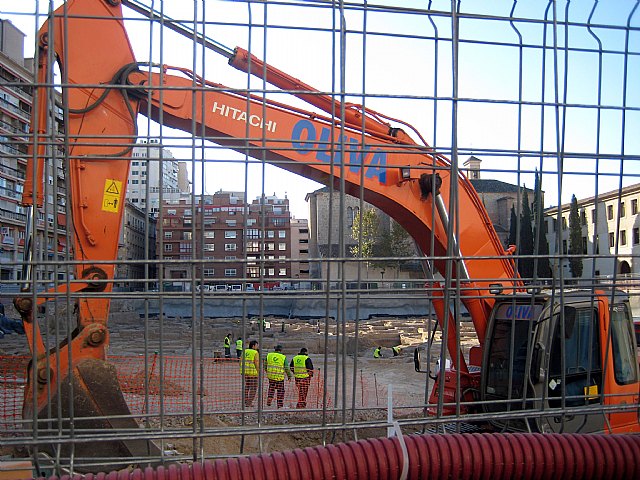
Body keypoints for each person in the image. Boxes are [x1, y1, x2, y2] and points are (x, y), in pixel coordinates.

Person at [265, 345, 291, 409]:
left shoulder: (269, 355)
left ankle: (270, 398)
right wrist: (289, 376)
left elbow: (265, 365)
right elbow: (286, 368)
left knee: (271, 388)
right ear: (281, 350)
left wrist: (268, 371)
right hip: (279, 377)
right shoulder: (283, 357)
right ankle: (279, 405)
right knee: (280, 391)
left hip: (271, 376)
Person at [240, 340, 260, 407]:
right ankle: (249, 402)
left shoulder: (244, 351)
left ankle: (245, 400)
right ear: (253, 346)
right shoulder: (255, 352)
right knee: (253, 388)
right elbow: (256, 363)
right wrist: (259, 371)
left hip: (245, 372)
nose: (257, 346)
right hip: (253, 373)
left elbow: (240, 361)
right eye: (257, 345)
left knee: (247, 386)